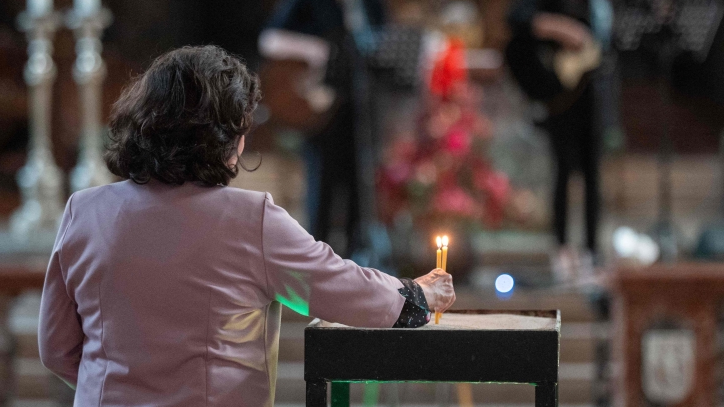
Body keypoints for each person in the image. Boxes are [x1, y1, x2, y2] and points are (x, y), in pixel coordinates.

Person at [38, 45, 455, 406]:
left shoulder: (84, 211)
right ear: (229, 136)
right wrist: (417, 295)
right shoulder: (249, 220)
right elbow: (337, 287)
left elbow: (56, 349)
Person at [506, 0, 619, 282]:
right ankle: (562, 249)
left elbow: (610, 31)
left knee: (592, 174)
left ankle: (590, 250)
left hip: (590, 90)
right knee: (562, 170)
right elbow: (517, 19)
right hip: (557, 91)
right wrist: (561, 29)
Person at [259, 0, 384, 253]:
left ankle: (361, 259)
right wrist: (314, 48)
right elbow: (270, 40)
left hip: (360, 106)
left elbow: (382, 44)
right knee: (323, 186)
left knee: (362, 186)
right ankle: (320, 258)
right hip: (318, 107)